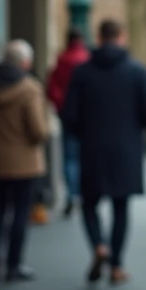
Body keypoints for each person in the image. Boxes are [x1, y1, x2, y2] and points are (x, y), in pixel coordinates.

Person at [62, 19, 146, 285]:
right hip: (126, 150)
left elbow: (69, 114)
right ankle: (116, 265)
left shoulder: (83, 72)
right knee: (121, 207)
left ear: (99, 36)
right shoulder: (137, 71)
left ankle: (98, 245)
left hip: (92, 148)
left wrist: (85, 134)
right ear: (121, 37)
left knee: (89, 204)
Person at [0, 40, 50, 281]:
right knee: (20, 213)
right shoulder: (29, 88)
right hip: (24, 164)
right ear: (24, 62)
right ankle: (13, 264)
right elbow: (38, 130)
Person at [46, 28, 90, 217]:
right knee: (84, 156)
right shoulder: (87, 60)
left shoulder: (62, 60)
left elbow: (52, 88)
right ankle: (81, 192)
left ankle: (71, 195)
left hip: (67, 115)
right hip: (87, 117)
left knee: (69, 157)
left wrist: (62, 104)